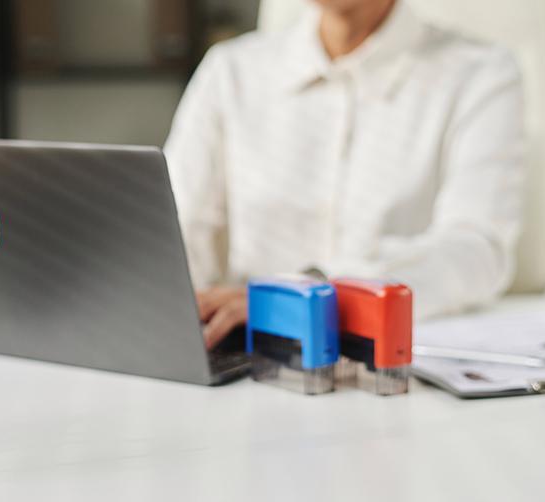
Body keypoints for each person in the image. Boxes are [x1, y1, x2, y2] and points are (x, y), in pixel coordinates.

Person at [164, 0, 525, 349]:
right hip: (248, 354)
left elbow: (477, 250)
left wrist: (311, 295)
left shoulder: (479, 72)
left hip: (392, 362)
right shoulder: (230, 71)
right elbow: (176, 234)